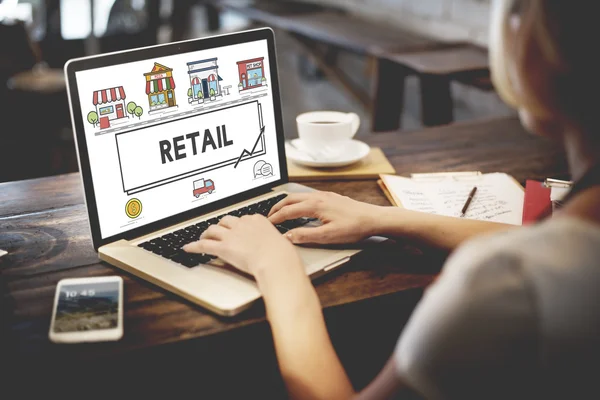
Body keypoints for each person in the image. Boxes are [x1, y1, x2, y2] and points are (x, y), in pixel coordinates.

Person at [184, 0, 600, 398]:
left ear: (556, 50)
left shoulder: (502, 282)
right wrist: (386, 218)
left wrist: (276, 268)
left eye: (519, 13)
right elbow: (541, 242)